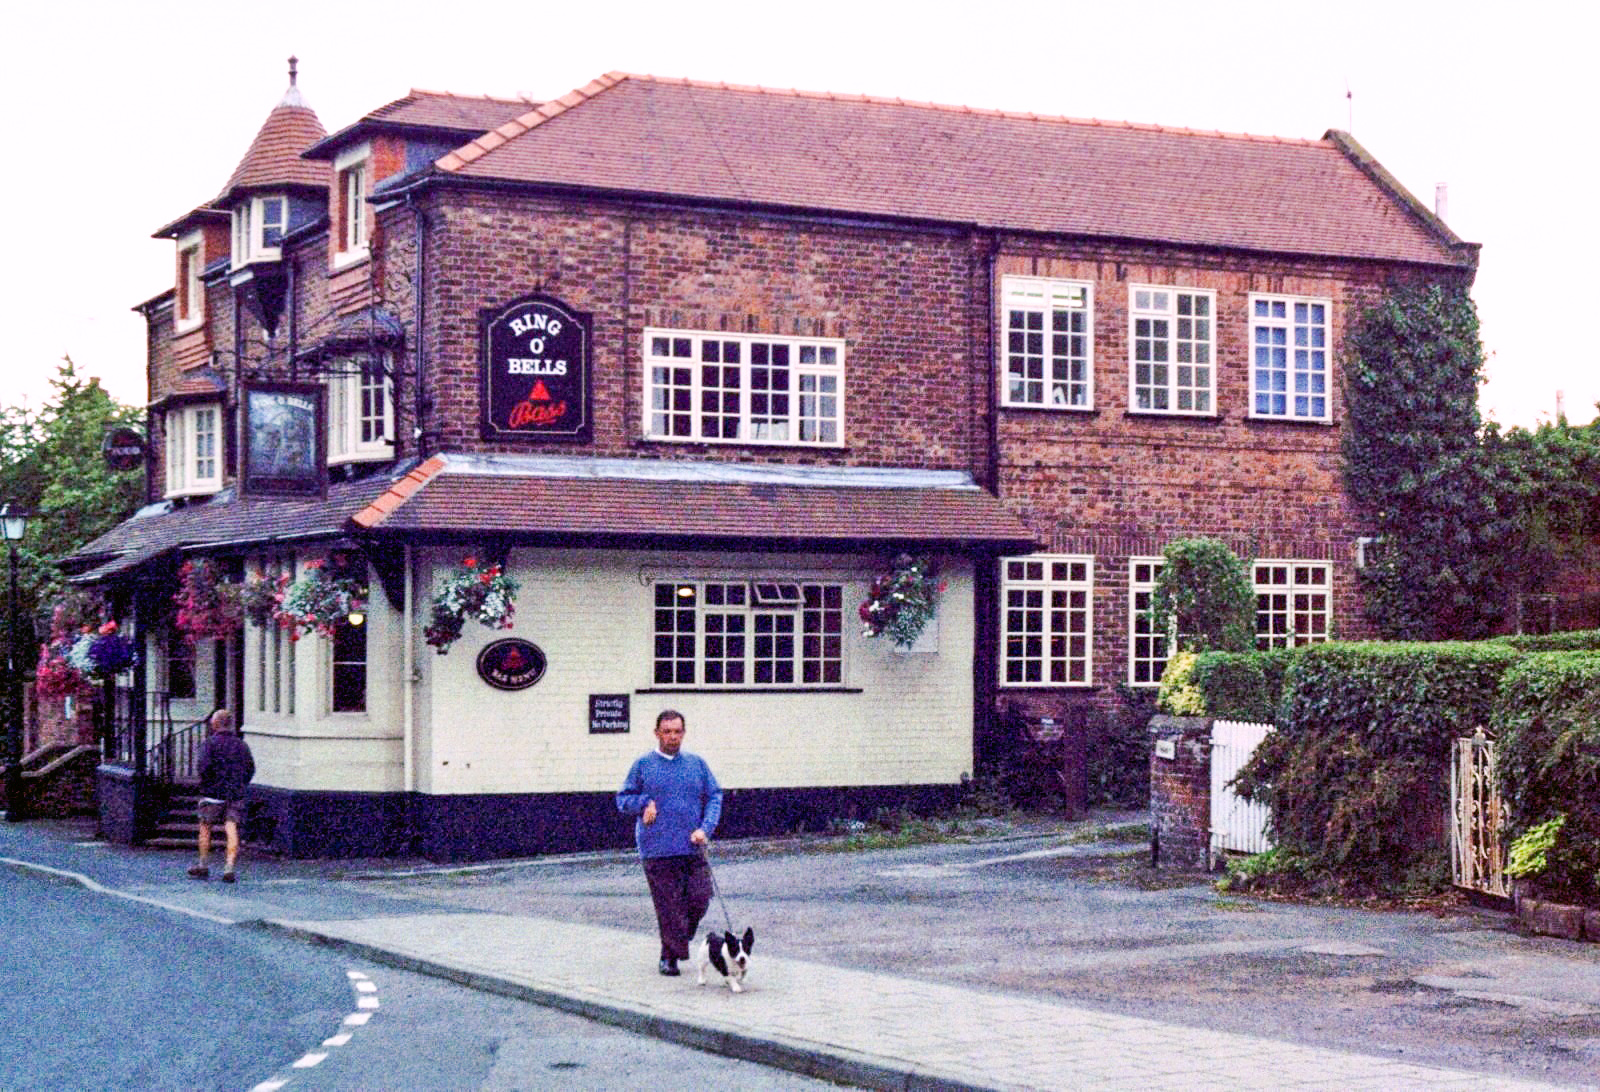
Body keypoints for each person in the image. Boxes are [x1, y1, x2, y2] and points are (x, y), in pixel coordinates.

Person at [616, 709, 723, 976]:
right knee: (670, 906)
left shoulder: (696, 764)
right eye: (667, 732)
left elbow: (714, 796)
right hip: (657, 849)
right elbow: (623, 799)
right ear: (657, 733)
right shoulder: (643, 765)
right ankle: (670, 956)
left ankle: (676, 941)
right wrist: (643, 803)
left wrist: (704, 828)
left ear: (684, 733)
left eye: (677, 731)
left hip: (692, 845)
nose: (673, 737)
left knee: (699, 898)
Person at [188, 708, 255, 884]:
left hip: (212, 793)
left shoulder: (209, 743)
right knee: (231, 828)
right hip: (235, 793)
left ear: (216, 724)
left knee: (205, 826)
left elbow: (203, 767)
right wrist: (240, 784)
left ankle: (203, 864)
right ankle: (229, 867)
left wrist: (206, 784)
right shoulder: (241, 744)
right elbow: (250, 768)